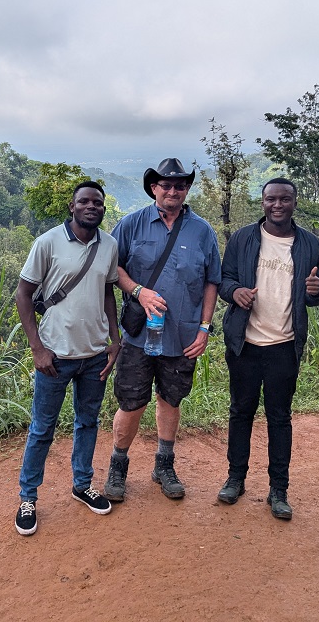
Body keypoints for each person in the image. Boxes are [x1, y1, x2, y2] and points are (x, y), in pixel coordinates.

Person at [104, 158, 221, 501]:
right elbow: (114, 269)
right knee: (131, 402)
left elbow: (212, 281)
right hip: (139, 336)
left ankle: (164, 465)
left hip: (184, 337)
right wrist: (139, 291)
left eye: (180, 185)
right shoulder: (131, 225)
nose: (173, 190)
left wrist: (204, 328)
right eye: (166, 185)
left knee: (171, 399)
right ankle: (118, 467)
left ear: (186, 190)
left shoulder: (202, 231)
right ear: (153, 188)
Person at [216, 177, 319, 519]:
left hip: (284, 346)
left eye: (284, 199)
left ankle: (278, 490)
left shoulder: (310, 245)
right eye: (270, 199)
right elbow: (225, 280)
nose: (277, 205)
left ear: (294, 202)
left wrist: (314, 290)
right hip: (246, 344)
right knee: (240, 413)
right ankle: (236, 479)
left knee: (280, 418)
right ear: (262, 202)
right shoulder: (243, 238)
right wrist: (235, 292)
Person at [14, 181, 122, 536]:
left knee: (87, 422)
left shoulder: (109, 246)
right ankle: (28, 498)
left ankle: (82, 484)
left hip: (94, 356)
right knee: (42, 428)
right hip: (55, 356)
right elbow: (24, 294)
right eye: (85, 201)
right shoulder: (47, 242)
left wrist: (115, 341)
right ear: (72, 207)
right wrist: (37, 348)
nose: (92, 206)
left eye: (98, 202)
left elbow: (108, 292)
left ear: (103, 209)